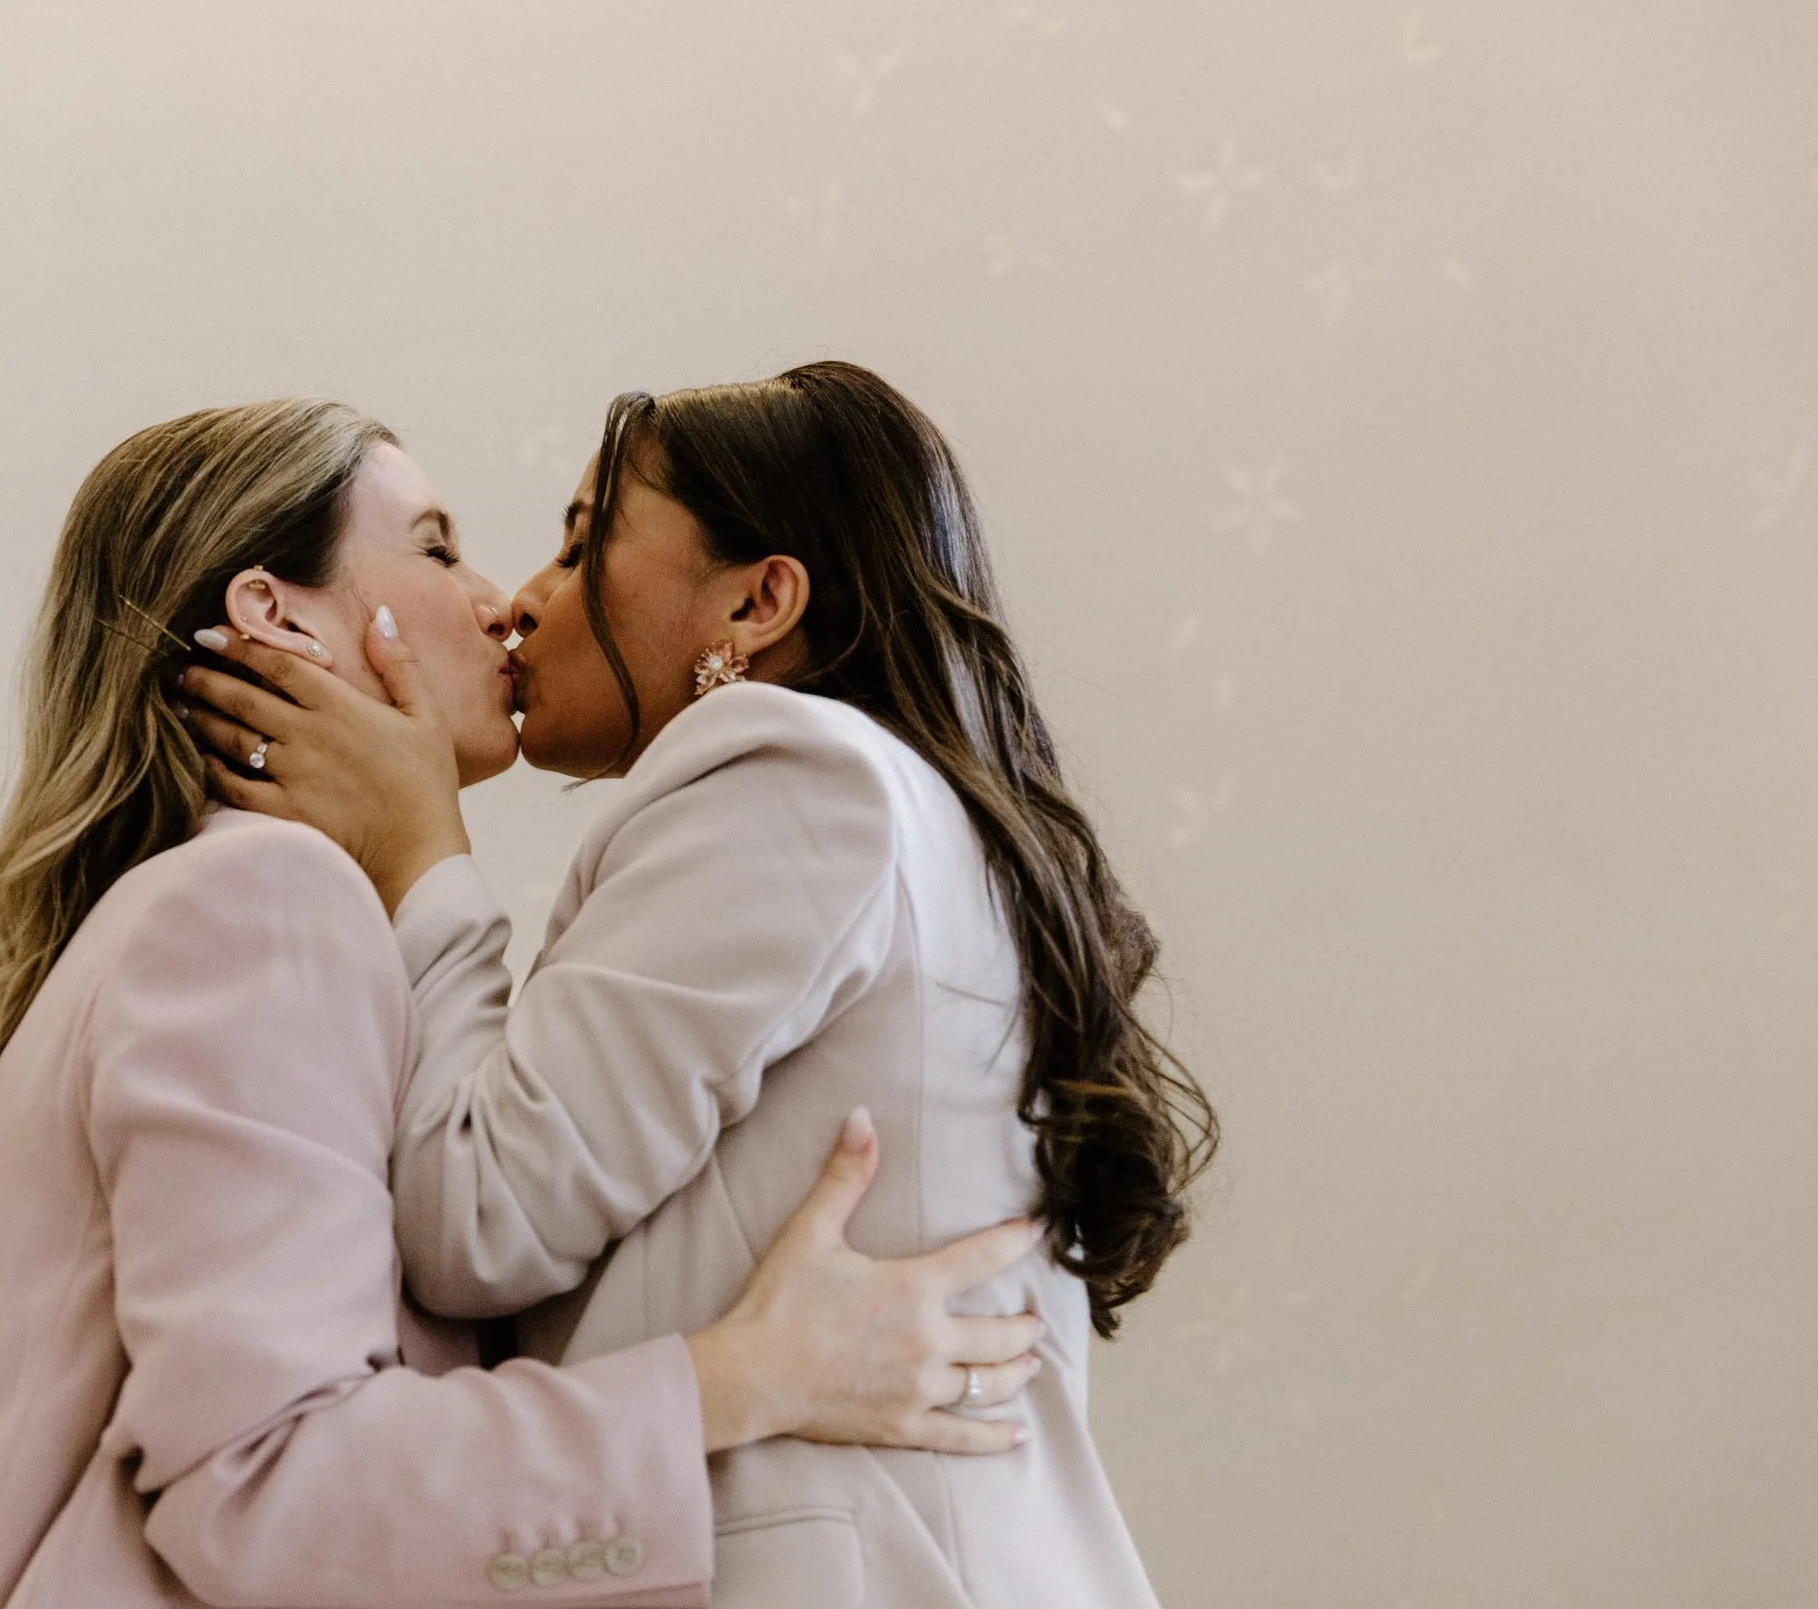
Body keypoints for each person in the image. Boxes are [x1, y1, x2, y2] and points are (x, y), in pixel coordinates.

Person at [0, 397, 1053, 1609]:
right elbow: (271, 1484)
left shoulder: (231, 901)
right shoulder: (262, 896)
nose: (498, 600)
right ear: (275, 615)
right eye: (435, 547)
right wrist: (749, 1374)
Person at [182, 362, 1220, 1607]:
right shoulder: (904, 802)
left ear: (755, 600)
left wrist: (421, 852)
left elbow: (479, 1216)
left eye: (582, 545)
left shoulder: (787, 765)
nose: (521, 602)